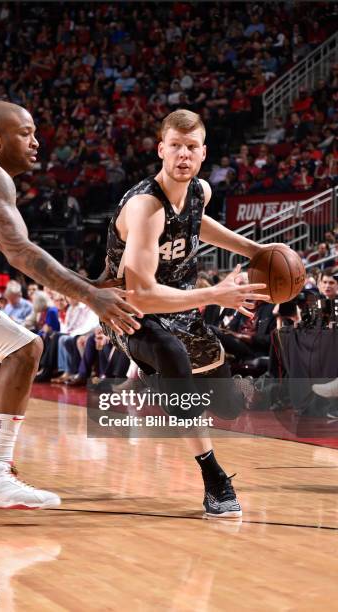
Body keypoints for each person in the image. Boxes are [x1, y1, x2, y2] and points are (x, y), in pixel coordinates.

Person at [0, 101, 142, 510]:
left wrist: (88, 284)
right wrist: (90, 296)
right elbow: (20, 252)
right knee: (25, 347)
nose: (36, 141)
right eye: (25, 132)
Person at [101, 109, 288, 518]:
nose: (182, 154)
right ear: (160, 150)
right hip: (129, 312)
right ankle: (214, 478)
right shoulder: (145, 208)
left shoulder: (199, 189)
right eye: (175, 146)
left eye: (191, 147)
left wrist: (255, 251)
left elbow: (196, 222)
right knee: (171, 355)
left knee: (228, 408)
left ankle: (165, 380)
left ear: (203, 153)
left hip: (181, 309)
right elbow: (143, 295)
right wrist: (214, 296)